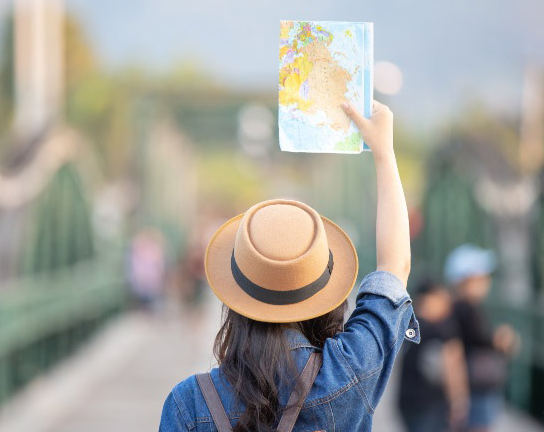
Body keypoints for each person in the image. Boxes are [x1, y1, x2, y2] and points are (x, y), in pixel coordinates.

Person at [159, 101, 419, 431]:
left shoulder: (188, 402)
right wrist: (384, 151)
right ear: (325, 294)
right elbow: (395, 268)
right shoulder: (347, 372)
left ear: (237, 294)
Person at [446, 244, 519, 432]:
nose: (486, 281)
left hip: (472, 384)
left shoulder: (459, 307)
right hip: (475, 385)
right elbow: (481, 338)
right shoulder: (466, 308)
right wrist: (502, 339)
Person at [398, 280, 468, 432]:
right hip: (431, 405)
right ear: (430, 299)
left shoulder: (408, 326)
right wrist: (458, 402)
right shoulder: (442, 330)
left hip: (406, 402)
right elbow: (451, 365)